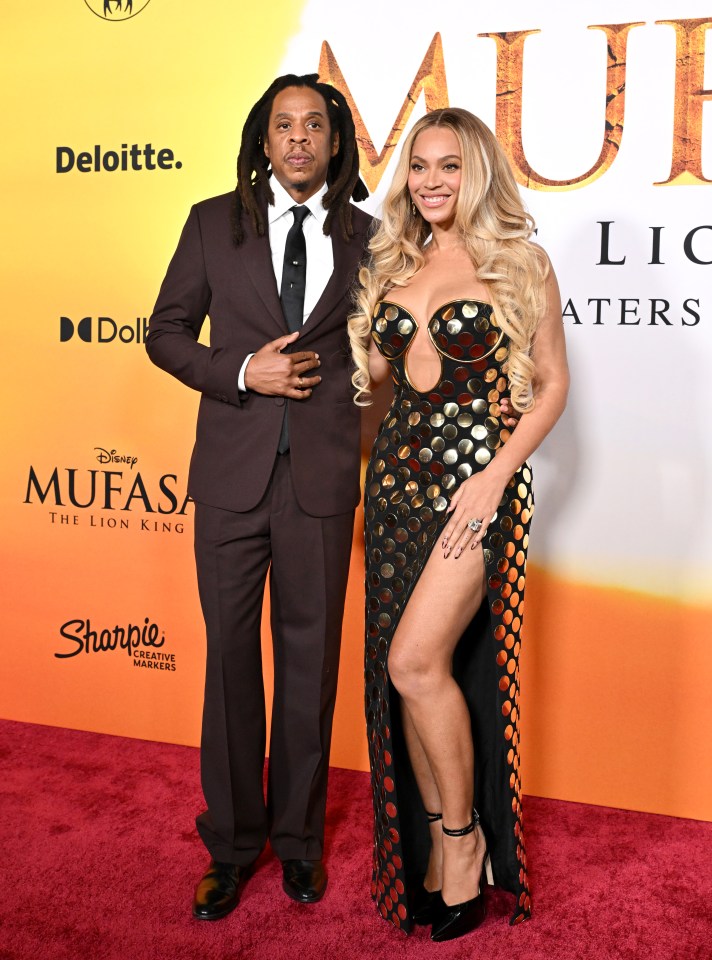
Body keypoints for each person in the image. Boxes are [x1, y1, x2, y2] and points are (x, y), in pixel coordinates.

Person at [146, 74, 371, 920]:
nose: (301, 138)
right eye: (285, 125)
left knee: (310, 673)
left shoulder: (371, 237)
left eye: (316, 124)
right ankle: (236, 846)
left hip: (318, 484)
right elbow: (165, 333)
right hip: (231, 483)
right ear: (265, 140)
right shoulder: (213, 223)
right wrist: (244, 371)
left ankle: (301, 845)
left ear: (335, 142)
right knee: (232, 667)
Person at [348, 107, 569, 941]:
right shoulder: (394, 261)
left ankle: (462, 839)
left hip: (476, 494)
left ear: (476, 174)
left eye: (448, 166)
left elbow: (549, 386)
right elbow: (379, 385)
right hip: (397, 493)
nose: (431, 181)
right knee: (410, 670)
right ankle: (445, 841)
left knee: (414, 660)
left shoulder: (519, 263)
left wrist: (495, 476)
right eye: (418, 166)